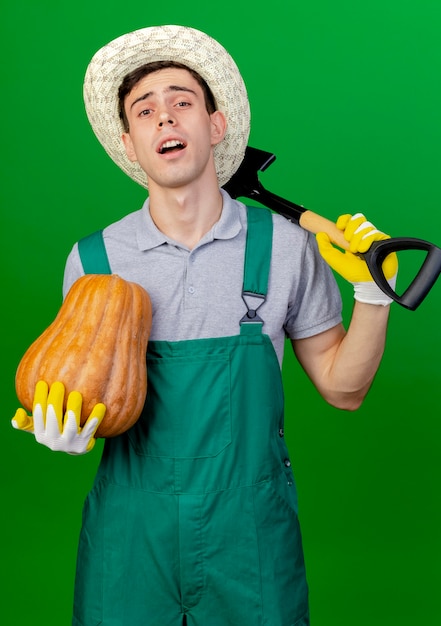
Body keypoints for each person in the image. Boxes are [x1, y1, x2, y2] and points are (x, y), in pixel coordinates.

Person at [12, 25, 397, 626]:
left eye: (181, 102)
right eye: (146, 111)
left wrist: (372, 295)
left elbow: (345, 391)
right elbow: (88, 385)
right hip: (130, 537)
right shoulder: (93, 263)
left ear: (215, 128)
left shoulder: (288, 248)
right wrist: (70, 426)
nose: (165, 118)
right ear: (131, 142)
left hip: (250, 540)